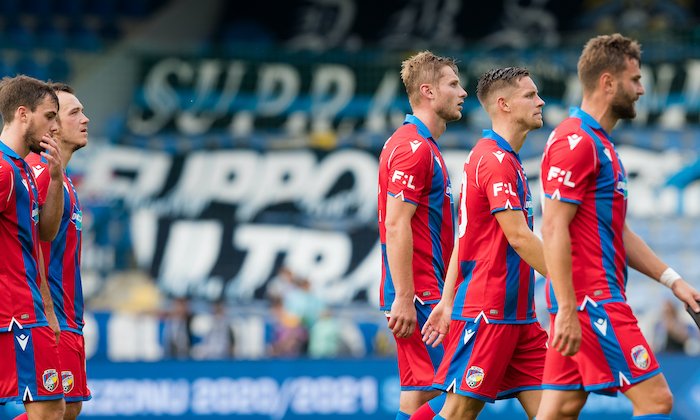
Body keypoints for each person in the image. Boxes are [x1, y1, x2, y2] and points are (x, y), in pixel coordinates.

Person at [537, 33, 700, 420]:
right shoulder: (576, 142)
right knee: (656, 402)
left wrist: (672, 280)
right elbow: (553, 228)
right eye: (635, 79)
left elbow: (616, 230)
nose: (642, 89)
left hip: (583, 301)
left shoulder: (600, 144)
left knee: (559, 409)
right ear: (608, 82)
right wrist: (566, 309)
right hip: (590, 301)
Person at [418, 67, 548, 420]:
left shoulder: (503, 158)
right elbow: (519, 238)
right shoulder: (493, 160)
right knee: (458, 411)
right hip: (487, 314)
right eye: (530, 95)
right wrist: (571, 280)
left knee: (557, 410)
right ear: (503, 104)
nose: (541, 102)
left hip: (520, 318)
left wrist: (446, 300)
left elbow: (466, 239)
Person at [377, 50, 467, 419]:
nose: (462, 92)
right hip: (421, 291)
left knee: (418, 395)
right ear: (428, 91)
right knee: (465, 383)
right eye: (453, 84)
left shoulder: (419, 144)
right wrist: (404, 297)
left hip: (418, 288)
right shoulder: (414, 148)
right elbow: (396, 224)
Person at [0, 75, 65, 419]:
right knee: (51, 411)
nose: (55, 127)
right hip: (15, 314)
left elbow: (45, 236)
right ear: (23, 114)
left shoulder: (22, 169)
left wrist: (54, 178)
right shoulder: (4, 171)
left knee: (54, 409)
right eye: (49, 116)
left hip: (27, 310)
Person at [25, 82, 92, 419]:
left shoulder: (62, 180)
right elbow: (27, 244)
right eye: (74, 113)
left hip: (68, 316)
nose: (86, 119)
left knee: (69, 408)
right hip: (49, 315)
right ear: (53, 126)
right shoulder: (38, 174)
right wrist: (46, 309)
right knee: (52, 411)